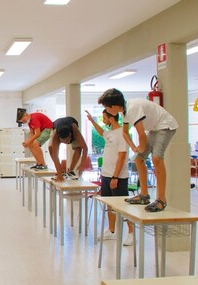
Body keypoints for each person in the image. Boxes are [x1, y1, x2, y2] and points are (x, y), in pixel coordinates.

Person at [98, 88, 178, 212]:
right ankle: (144, 195)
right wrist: (134, 148)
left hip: (165, 125)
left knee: (156, 158)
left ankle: (161, 200)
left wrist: (139, 148)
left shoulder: (132, 109)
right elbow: (125, 133)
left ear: (113, 107)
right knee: (138, 159)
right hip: (154, 128)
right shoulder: (125, 111)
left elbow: (141, 135)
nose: (106, 111)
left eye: (107, 108)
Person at [86, 110, 134, 246]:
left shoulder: (122, 134)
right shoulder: (110, 133)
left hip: (117, 177)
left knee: (123, 206)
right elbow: (102, 132)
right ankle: (111, 230)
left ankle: (131, 232)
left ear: (111, 118)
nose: (103, 120)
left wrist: (115, 177)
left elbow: (122, 156)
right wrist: (92, 121)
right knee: (108, 205)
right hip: (106, 175)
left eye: (105, 118)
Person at [49, 116, 88, 181]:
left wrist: (81, 166)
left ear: (70, 135)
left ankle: (71, 170)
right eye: (63, 141)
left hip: (71, 123)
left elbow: (85, 148)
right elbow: (55, 156)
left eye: (67, 141)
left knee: (78, 148)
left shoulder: (75, 131)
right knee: (51, 149)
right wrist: (59, 174)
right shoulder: (56, 136)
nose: (66, 143)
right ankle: (62, 172)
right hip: (56, 125)